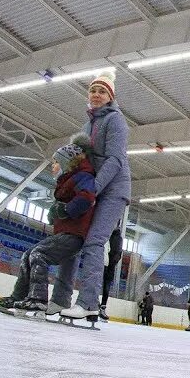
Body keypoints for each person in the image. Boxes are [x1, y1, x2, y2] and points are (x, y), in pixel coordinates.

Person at [60, 69, 131, 324]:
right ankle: (61, 298)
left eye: (102, 91)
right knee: (76, 239)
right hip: (97, 188)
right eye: (93, 90)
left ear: (110, 96)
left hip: (114, 190)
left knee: (93, 242)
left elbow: (115, 160)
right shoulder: (88, 124)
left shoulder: (116, 121)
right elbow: (82, 159)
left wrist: (93, 190)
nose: (97, 95)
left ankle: (88, 303)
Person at [0, 139, 96, 316]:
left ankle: (38, 299)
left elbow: (87, 198)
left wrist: (66, 210)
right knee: (28, 254)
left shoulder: (83, 177)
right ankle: (19, 296)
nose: (53, 166)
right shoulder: (69, 180)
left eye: (56, 162)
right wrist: (56, 214)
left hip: (74, 236)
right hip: (66, 232)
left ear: (67, 163)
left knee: (38, 254)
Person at [98, 226, 123, 323]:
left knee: (101, 286)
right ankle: (98, 307)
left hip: (106, 265)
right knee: (103, 286)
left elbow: (118, 253)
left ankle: (98, 307)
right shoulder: (117, 237)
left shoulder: (113, 236)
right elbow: (118, 254)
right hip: (107, 265)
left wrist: (111, 263)